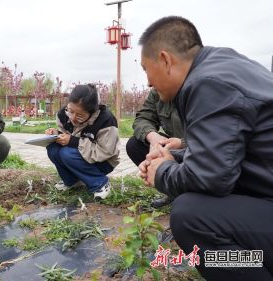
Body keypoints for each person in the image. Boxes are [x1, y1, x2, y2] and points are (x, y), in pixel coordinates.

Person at [138, 16, 273, 280]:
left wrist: (163, 172)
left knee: (191, 216)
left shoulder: (208, 83)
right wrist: (173, 157)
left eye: (146, 69)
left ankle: (248, 269)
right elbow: (231, 151)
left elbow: (212, 178)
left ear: (165, 60)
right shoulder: (223, 65)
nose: (148, 83)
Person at [45, 84, 120, 199]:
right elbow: (66, 136)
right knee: (53, 148)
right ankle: (72, 181)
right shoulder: (63, 114)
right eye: (70, 111)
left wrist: (73, 141)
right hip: (79, 155)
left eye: (80, 116)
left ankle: (100, 183)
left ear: (92, 112)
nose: (73, 118)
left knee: (67, 153)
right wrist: (57, 135)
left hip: (103, 161)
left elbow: (105, 152)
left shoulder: (106, 120)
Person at [126, 88, 185, 208]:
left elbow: (216, 136)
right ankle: (173, 192)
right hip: (173, 147)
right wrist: (153, 137)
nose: (149, 83)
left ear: (168, 68)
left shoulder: (201, 87)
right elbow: (143, 118)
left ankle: (194, 197)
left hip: (200, 150)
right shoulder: (157, 91)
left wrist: (183, 143)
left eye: (148, 70)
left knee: (183, 216)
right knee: (135, 145)